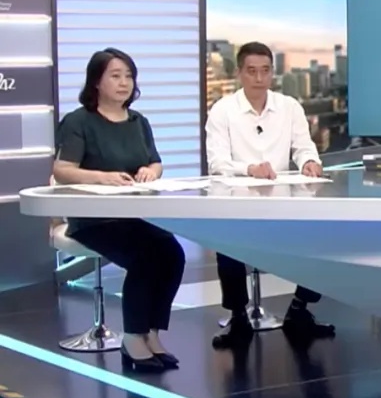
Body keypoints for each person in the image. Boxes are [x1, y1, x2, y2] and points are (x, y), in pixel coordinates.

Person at [52, 48, 186, 373]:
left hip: (134, 214)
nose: (124, 82)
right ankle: (133, 339)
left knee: (173, 254)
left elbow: (155, 161)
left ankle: (151, 333)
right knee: (145, 257)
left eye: (129, 76)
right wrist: (102, 177)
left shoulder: (139, 122)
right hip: (94, 218)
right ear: (96, 81)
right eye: (115, 75)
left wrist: (151, 171)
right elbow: (62, 170)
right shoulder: (79, 121)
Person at [205, 41, 334, 348]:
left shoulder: (289, 107)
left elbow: (303, 146)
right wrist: (250, 169)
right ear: (239, 73)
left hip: (282, 203)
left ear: (273, 72)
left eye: (265, 71)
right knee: (227, 239)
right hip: (237, 203)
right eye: (252, 71)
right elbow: (217, 163)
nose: (259, 78)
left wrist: (309, 161)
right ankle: (238, 317)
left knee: (325, 236)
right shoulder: (223, 110)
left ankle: (299, 309)